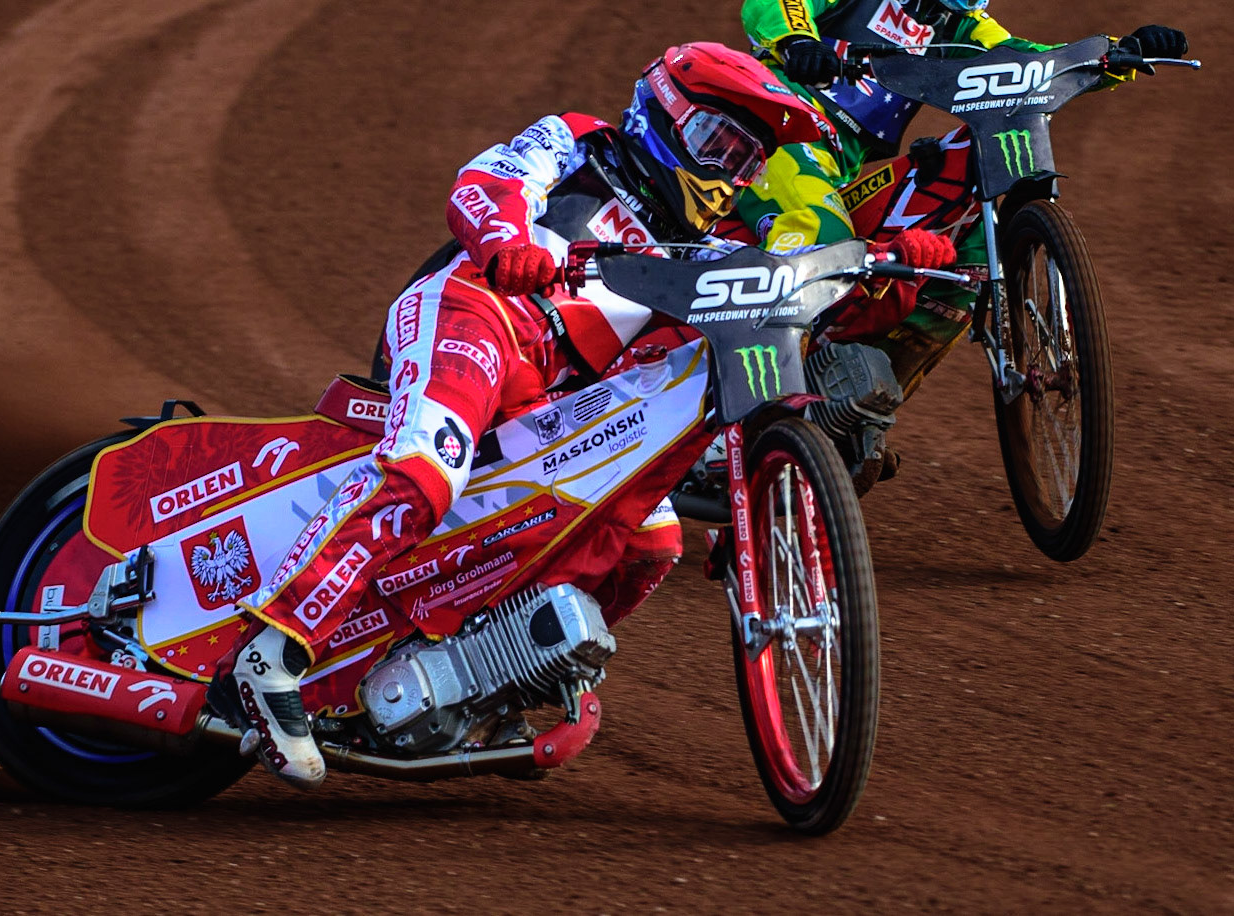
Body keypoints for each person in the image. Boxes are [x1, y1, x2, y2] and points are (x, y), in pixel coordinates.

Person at [215, 43, 951, 788]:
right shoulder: (578, 142)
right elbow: (485, 181)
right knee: (425, 471)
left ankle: (484, 681)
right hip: (481, 315)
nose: (727, 173)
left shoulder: (716, 251)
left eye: (745, 161)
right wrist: (507, 244)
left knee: (650, 542)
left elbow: (803, 310)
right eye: (716, 144)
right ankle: (273, 650)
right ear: (662, 112)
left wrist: (891, 270)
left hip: (555, 407)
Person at [737, 0, 1188, 397]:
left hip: (851, 176)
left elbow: (1020, 60)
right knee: (823, 246)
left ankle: (862, 404)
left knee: (966, 249)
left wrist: (1116, 54)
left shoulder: (957, 16)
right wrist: (796, 38)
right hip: (779, 149)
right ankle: (768, 403)